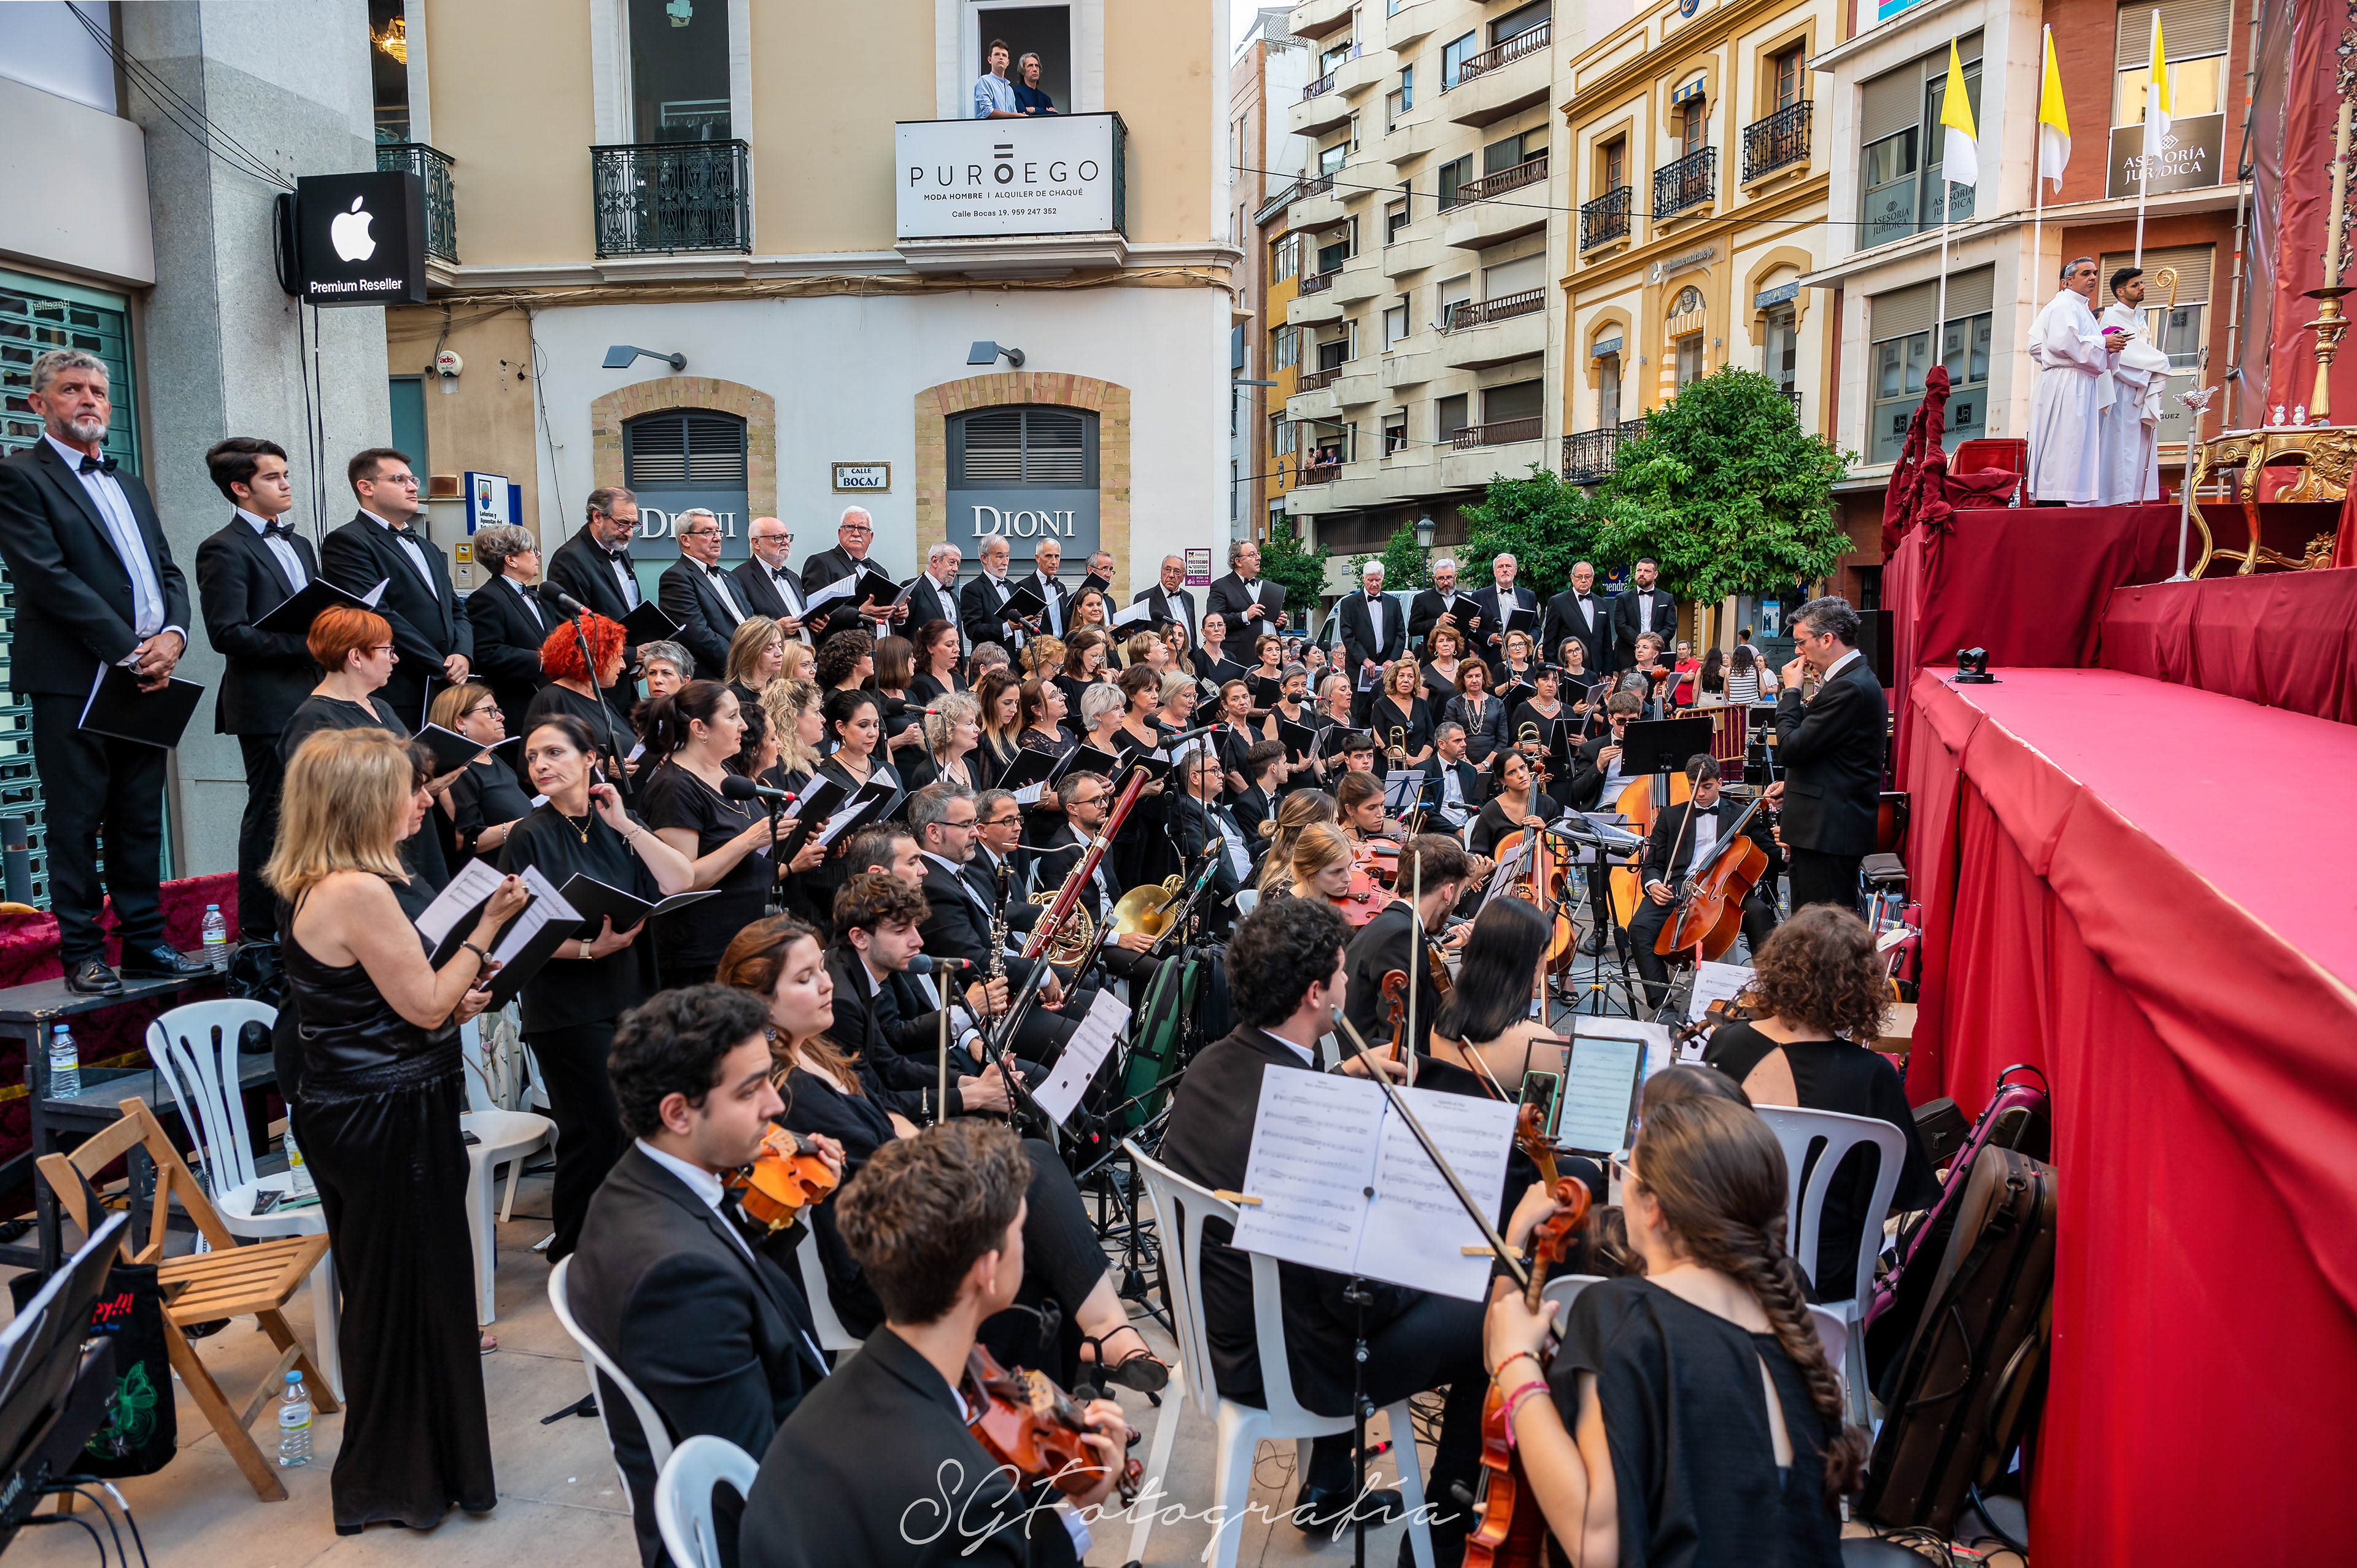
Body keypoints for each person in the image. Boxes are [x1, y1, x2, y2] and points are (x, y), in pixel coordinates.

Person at [1159, 895, 1488, 1547]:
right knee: (1494, 1312)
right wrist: (1435, 1262)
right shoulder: (1307, 1115)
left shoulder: (1209, 1066)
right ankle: (1450, 1528)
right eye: (1341, 972)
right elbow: (1355, 1299)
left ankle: (1332, 1485)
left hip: (1208, 1334)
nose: (1347, 981)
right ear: (1315, 994)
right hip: (1285, 1365)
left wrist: (1338, 1076)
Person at [718, 918, 1159, 1388]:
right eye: (805, 978)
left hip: (908, 1212)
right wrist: (961, 1156)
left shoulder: (817, 1052)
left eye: (822, 969)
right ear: (761, 1003)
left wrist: (960, 1111)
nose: (827, 983)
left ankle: (1081, 1379)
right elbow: (873, 1166)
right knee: (1029, 1168)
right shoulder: (784, 1089)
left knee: (1038, 1250)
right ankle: (1105, 1339)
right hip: (879, 1255)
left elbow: (888, 1113)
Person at [268, 726, 522, 1533]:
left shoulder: (326, 881)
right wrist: (488, 926)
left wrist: (455, 994)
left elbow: (397, 1001)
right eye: (407, 789)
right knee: (404, 1295)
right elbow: (423, 1002)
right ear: (362, 800)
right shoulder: (357, 889)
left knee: (401, 1292)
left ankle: (418, 1472)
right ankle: (397, 1481)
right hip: (383, 1114)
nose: (422, 801)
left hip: (372, 1102)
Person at [1482, 1094, 1864, 1567]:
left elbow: (1595, 1546)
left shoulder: (1622, 1310)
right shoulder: (1792, 1327)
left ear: (1654, 1208)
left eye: (1628, 1171)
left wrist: (1517, 1364)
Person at [739, 1122, 1136, 1568]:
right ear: (987, 1271)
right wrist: (1075, 1516)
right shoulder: (969, 1498)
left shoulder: (820, 1406)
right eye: (1021, 1233)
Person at [563, 985, 834, 1567]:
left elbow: (738, 1268)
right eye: (749, 1090)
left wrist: (783, 1209)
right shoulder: (678, 1279)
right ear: (678, 1113)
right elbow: (754, 1473)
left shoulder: (644, 1179)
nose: (776, 1105)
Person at [0, 350, 202, 994]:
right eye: (71, 389)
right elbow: (45, 576)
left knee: (139, 815)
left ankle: (144, 942)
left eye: (97, 390)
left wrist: (173, 635)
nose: (88, 399)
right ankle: (83, 951)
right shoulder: (19, 477)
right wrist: (128, 647)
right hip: (73, 676)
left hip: (147, 674)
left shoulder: (130, 482)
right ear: (39, 404)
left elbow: (167, 570)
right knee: (76, 818)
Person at [500, 713, 701, 1261]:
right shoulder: (528, 834)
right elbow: (516, 933)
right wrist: (591, 948)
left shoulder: (616, 820)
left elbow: (679, 879)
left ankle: (626, 1244)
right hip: (566, 1005)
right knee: (595, 1131)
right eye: (533, 757)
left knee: (637, 1125)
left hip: (631, 992)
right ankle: (574, 1253)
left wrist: (627, 824)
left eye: (554, 753)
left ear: (591, 758)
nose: (540, 765)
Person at [1703, 906, 1938, 1293]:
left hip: (1727, 1260)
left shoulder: (1726, 1044)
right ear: (1858, 987)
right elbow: (1899, 1196)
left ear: (1777, 968)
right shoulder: (1872, 1074)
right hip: (1827, 1276)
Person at [195, 436, 320, 948]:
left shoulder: (301, 544)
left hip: (315, 696)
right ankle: (259, 932)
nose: (286, 483)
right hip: (265, 701)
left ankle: (308, 919)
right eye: (273, 476)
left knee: (314, 812)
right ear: (240, 488)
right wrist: (309, 645)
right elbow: (227, 633)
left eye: (286, 473)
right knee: (271, 813)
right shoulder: (222, 547)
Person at [639, 681, 813, 989]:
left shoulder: (728, 771)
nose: (743, 726)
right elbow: (682, 882)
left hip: (748, 938)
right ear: (699, 728)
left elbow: (753, 848)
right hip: (704, 953)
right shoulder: (674, 788)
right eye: (732, 717)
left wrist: (795, 832)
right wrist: (748, 841)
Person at [822, 873, 1019, 1125]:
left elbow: (890, 1065)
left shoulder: (853, 970)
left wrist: (972, 1083)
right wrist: (974, 1096)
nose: (918, 941)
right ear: (859, 938)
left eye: (915, 927)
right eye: (901, 931)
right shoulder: (843, 1003)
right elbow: (873, 1099)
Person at [322, 447, 470, 729]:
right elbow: (376, 614)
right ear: (366, 487)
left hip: (446, 688)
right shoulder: (348, 541)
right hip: (396, 688)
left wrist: (463, 654)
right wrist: (440, 665)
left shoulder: (427, 547)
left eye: (413, 480)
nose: (413, 487)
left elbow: (456, 609)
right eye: (399, 480)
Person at [1626, 754, 1781, 1010]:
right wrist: (1653, 885)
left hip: (1727, 887)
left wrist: (1787, 849)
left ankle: (1772, 992)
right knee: (1639, 927)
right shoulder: (1671, 816)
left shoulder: (1742, 815)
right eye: (1694, 786)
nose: (1699, 793)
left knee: (1759, 912)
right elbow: (1652, 864)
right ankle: (1662, 1006)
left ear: (1720, 783)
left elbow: (1770, 856)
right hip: (1680, 888)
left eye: (1707, 786)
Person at [1766, 597, 1886, 914]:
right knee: (1810, 926)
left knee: (1821, 930)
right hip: (1823, 831)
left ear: (1827, 639)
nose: (1798, 652)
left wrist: (1791, 692)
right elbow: (1828, 753)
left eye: (1801, 642)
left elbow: (1791, 747)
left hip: (1829, 835)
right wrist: (1792, 786)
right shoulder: (1848, 681)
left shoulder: (1850, 687)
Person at [1028, 771, 1166, 990]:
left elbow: (1113, 895)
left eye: (1104, 798)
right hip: (1093, 942)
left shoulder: (1101, 840)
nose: (1104, 805)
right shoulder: (1060, 851)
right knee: (1162, 971)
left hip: (1115, 928)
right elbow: (1064, 922)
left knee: (1179, 953)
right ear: (1072, 809)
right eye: (1095, 801)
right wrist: (1119, 939)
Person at [1341, 834, 1469, 1060]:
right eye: (1461, 892)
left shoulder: (1393, 924)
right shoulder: (1402, 937)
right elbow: (1399, 1045)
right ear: (1449, 892)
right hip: (1370, 1070)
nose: (1458, 901)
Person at [2028, 255, 2127, 505]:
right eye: (2086, 273)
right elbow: (2061, 343)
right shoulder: (2063, 305)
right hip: (2067, 383)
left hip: (2080, 380)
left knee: (2076, 442)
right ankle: (2055, 498)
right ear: (2068, 280)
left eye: (2095, 273)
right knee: (2064, 440)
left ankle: (2069, 497)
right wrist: (2103, 342)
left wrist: (2108, 346)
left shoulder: (2081, 308)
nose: (2093, 277)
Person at [545, 487, 645, 724]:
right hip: (594, 684)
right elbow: (574, 631)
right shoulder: (571, 558)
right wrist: (633, 655)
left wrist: (640, 658)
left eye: (634, 525)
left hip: (623, 677)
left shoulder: (619, 550)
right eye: (623, 523)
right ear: (597, 516)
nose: (630, 533)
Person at [524, 611, 637, 795]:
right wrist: (599, 767)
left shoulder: (603, 701)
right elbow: (531, 767)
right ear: (597, 656)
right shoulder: (553, 698)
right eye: (618, 656)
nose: (623, 665)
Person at [455, 522, 552, 736]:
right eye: (532, 550)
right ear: (511, 560)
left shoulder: (538, 596)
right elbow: (486, 653)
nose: (538, 555)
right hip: (518, 709)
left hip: (547, 703)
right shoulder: (487, 598)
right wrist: (542, 659)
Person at [429, 682, 533, 870]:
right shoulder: (456, 771)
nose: (501, 716)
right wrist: (526, 825)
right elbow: (466, 841)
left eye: (497, 710)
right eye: (489, 711)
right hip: (490, 875)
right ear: (460, 722)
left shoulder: (494, 760)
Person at [2099, 266, 2168, 504]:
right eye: (2135, 285)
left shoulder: (2139, 317)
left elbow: (2143, 352)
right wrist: (2160, 362)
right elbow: (2124, 356)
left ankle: (2135, 496)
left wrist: (2153, 366)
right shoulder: (2111, 317)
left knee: (2139, 443)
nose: (2142, 287)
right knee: (2121, 443)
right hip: (2123, 390)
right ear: (2120, 291)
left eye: (2142, 283)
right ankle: (2117, 496)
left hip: (2141, 386)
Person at [657, 508, 751, 681]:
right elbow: (699, 635)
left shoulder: (730, 577)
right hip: (716, 679)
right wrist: (742, 665)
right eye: (708, 532)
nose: (718, 538)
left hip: (751, 673)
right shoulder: (676, 577)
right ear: (685, 540)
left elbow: (750, 621)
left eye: (718, 531)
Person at [1169, 742, 1248, 938]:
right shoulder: (1185, 810)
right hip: (1224, 898)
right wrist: (1240, 896)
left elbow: (1243, 848)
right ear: (1195, 777)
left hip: (1249, 884)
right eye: (1215, 770)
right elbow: (1206, 860)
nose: (1221, 775)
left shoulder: (1223, 811)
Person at [799, 507, 903, 644]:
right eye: (850, 527)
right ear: (840, 533)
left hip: (882, 649)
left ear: (871, 537)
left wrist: (898, 615)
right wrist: (860, 612)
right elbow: (816, 611)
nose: (856, 533)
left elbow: (884, 614)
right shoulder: (821, 562)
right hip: (842, 649)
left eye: (863, 529)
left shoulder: (880, 570)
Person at [1336, 559, 1402, 727]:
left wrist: (1392, 660)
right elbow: (1347, 635)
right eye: (1370, 580)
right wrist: (1364, 659)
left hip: (1386, 670)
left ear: (1383, 578)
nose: (1374, 584)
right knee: (1359, 716)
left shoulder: (1393, 603)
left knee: (1386, 716)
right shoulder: (1349, 603)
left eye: (1378, 580)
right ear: (1363, 579)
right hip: (1359, 670)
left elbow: (1401, 634)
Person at [733, 516, 811, 645]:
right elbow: (743, 630)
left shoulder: (793, 576)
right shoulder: (739, 577)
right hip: (777, 653)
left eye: (787, 537)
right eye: (778, 537)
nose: (785, 542)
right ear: (756, 543)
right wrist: (776, 627)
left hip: (809, 652)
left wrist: (815, 625)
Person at [960, 535, 1035, 653]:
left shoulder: (1012, 586)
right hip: (994, 659)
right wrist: (1007, 628)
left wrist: (1032, 618)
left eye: (1007, 556)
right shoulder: (972, 589)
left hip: (1022, 657)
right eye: (1000, 557)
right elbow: (973, 630)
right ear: (984, 558)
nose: (1005, 562)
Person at [905, 690, 986, 795]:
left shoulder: (970, 765)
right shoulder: (927, 773)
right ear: (948, 728)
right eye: (969, 723)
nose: (977, 729)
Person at [1470, 552, 1538, 672]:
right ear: (1494, 572)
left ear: (1515, 571)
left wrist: (1530, 639)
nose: (1505, 570)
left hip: (1523, 661)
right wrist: (1490, 638)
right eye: (1500, 567)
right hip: (1493, 659)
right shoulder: (1479, 597)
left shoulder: (1528, 596)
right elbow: (1472, 630)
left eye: (1509, 566)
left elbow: (1536, 628)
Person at [1540, 560, 1609, 676]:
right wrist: (1553, 670)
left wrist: (1607, 671)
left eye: (1587, 576)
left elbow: (1606, 641)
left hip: (1595, 670)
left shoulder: (1602, 603)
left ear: (1593, 578)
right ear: (1572, 578)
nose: (1584, 580)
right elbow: (1550, 640)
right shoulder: (1558, 602)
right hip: (1567, 669)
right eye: (1579, 577)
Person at [1607, 556, 1676, 672]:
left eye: (1647, 571)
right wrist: (1642, 645)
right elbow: (1620, 626)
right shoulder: (1622, 598)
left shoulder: (1667, 598)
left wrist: (1652, 645)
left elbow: (1670, 627)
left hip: (1658, 655)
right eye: (1639, 570)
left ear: (1655, 575)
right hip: (1628, 654)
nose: (1642, 574)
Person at [1369, 655, 1434, 779]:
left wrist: (1419, 761)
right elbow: (1381, 743)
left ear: (1415, 681)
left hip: (1421, 767)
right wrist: (1409, 760)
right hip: (1391, 769)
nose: (1406, 680)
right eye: (1402, 676)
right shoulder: (1380, 705)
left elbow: (1431, 738)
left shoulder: (1422, 704)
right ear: (1394, 679)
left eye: (1410, 677)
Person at [1206, 538, 1285, 635]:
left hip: (1271, 643)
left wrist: (1281, 621)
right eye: (1252, 555)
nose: (1258, 558)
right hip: (1242, 645)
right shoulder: (1221, 586)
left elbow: (1271, 620)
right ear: (1238, 562)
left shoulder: (1266, 585)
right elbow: (1213, 620)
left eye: (1258, 554)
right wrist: (1245, 616)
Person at [1442, 654, 1504, 770]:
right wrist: (1468, 765)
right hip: (1461, 764)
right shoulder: (1453, 704)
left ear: (1484, 678)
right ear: (1463, 679)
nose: (1474, 680)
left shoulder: (1497, 704)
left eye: (1478, 676)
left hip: (1493, 765)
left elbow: (1503, 740)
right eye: (1469, 676)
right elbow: (1450, 737)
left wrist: (1485, 765)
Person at [1421, 721, 1482, 833]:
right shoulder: (1424, 770)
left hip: (1469, 828)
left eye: (1464, 740)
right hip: (1438, 831)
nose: (1464, 744)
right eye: (1457, 741)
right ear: (1442, 744)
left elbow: (1477, 805)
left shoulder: (1470, 770)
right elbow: (1426, 811)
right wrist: (1455, 830)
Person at [1131, 551, 1199, 647]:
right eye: (1167, 570)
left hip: (1188, 655)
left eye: (1177, 571)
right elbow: (1136, 640)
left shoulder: (1189, 598)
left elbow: (1192, 634)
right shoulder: (1144, 598)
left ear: (1183, 577)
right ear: (1161, 572)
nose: (1171, 575)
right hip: (1160, 655)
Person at [1407, 555, 1476, 649]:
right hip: (1435, 654)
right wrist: (1438, 622)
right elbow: (1412, 629)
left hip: (1461, 654)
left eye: (1449, 578)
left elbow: (1473, 635)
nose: (1446, 582)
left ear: (1455, 576)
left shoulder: (1466, 599)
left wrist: (1474, 627)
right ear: (1434, 578)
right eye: (1441, 578)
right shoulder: (1422, 599)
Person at [725, 614, 787, 709]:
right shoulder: (736, 695)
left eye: (780, 646)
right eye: (769, 648)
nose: (780, 653)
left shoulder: (780, 690)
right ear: (750, 652)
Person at [904, 542, 962, 638]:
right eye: (952, 562)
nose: (956, 569)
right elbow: (900, 629)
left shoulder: (954, 598)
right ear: (935, 561)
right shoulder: (913, 588)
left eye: (958, 564)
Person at [908, 616, 966, 705]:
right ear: (930, 648)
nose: (957, 649)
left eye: (957, 644)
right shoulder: (920, 683)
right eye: (949, 645)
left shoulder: (959, 679)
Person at [972, 36, 1021, 118]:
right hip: (988, 127)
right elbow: (987, 112)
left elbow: (1014, 118)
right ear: (990, 60)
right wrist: (1016, 115)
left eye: (1004, 55)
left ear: (1008, 62)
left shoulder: (1010, 90)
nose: (1001, 57)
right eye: (997, 54)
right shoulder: (984, 81)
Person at [1012, 50, 1058, 114]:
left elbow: (1055, 115)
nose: (1035, 69)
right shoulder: (1015, 92)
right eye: (1030, 66)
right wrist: (1046, 112)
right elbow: (1023, 114)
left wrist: (1034, 110)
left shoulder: (1046, 98)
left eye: (1037, 66)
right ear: (1023, 71)